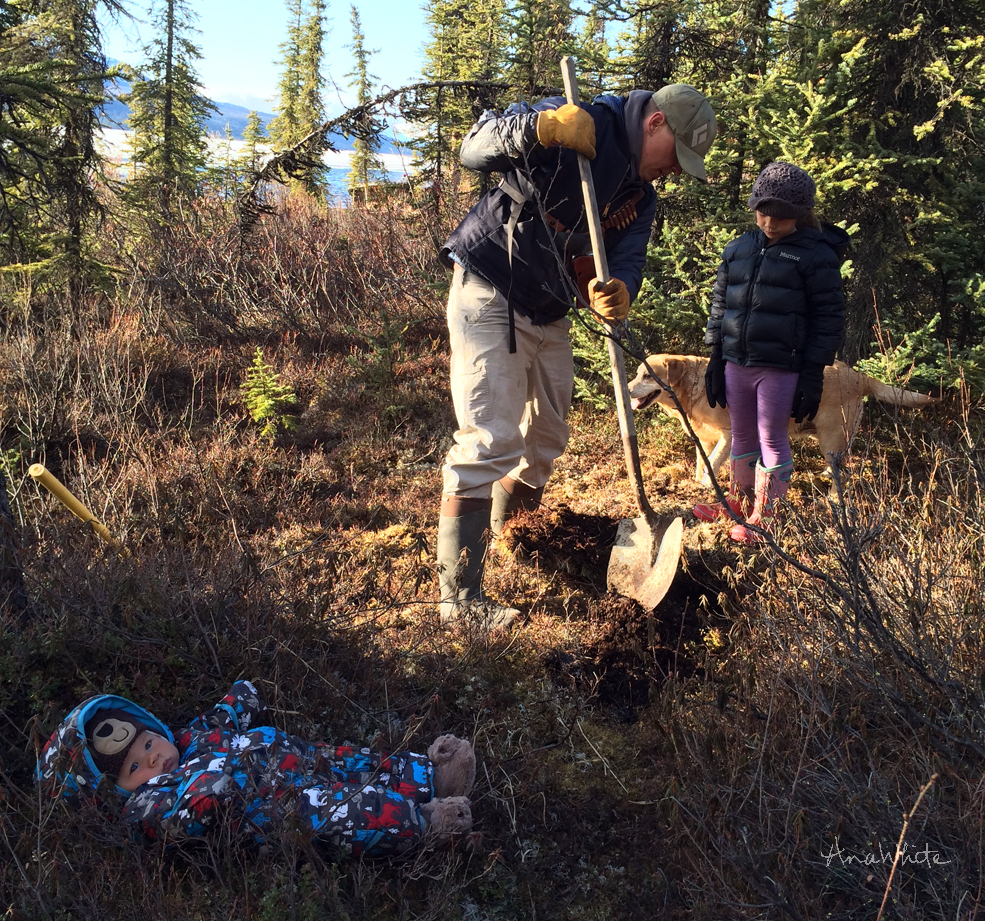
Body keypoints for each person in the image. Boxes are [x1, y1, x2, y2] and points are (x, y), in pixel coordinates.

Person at [438, 84, 718, 627]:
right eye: (676, 156)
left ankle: (512, 540)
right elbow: (474, 147)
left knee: (545, 438)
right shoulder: (579, 119)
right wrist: (540, 130)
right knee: (491, 436)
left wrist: (619, 288)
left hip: (549, 305)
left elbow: (627, 257)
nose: (676, 172)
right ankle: (459, 601)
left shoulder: (642, 195)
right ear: (656, 123)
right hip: (493, 283)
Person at [36, 679, 476, 855]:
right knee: (346, 813)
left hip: (298, 759)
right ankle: (423, 823)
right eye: (135, 765)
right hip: (275, 809)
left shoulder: (187, 738)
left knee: (354, 763)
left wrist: (238, 698)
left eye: (148, 740)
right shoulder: (147, 806)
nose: (152, 755)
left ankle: (426, 775)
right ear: (114, 789)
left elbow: (217, 720)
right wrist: (213, 787)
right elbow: (186, 814)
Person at [693, 161, 849, 542]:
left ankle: (767, 516)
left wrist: (813, 371)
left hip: (781, 367)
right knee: (741, 435)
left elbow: (829, 316)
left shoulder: (816, 255)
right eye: (763, 213)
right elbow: (720, 304)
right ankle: (738, 505)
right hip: (736, 363)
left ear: (798, 216)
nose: (769, 223)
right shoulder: (739, 249)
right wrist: (716, 356)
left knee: (771, 437)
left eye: (780, 217)